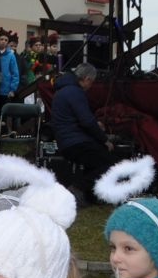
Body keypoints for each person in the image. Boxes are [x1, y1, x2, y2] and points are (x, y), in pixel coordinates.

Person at [49, 63, 116, 192]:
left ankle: (88, 195)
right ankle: (76, 190)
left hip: (65, 141)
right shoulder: (75, 92)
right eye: (92, 82)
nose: (91, 86)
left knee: (93, 165)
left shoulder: (63, 90)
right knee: (110, 164)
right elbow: (87, 122)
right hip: (76, 142)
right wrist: (104, 140)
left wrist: (95, 125)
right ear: (87, 79)